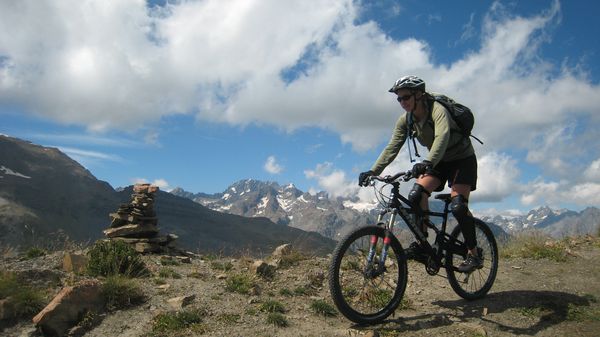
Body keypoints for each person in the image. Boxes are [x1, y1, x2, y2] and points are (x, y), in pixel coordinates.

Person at [358, 75, 481, 273]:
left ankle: (473, 254)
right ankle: (423, 244)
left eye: (405, 97)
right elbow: (392, 147)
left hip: (462, 160)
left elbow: (442, 137)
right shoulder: (405, 120)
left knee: (458, 206)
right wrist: (373, 170)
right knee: (416, 194)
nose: (402, 102)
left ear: (419, 94)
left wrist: (427, 163)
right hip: (439, 161)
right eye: (399, 99)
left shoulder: (437, 110)